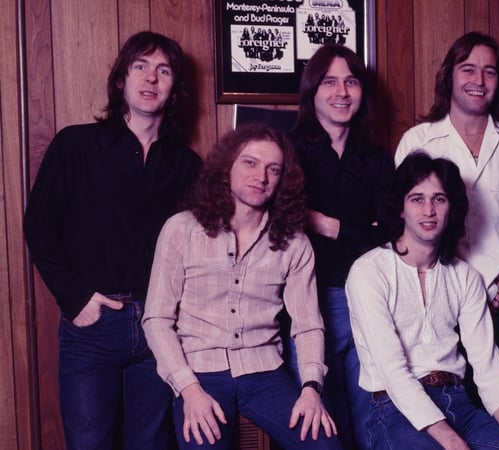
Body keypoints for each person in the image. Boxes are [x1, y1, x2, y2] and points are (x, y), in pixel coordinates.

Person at [23, 31, 200, 450]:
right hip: (94, 326)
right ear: (121, 78)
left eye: (163, 70)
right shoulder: (76, 145)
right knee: (90, 444)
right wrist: (76, 298)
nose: (151, 79)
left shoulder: (188, 165)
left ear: (175, 88)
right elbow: (39, 228)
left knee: (153, 444)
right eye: (140, 66)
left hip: (161, 329)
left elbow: (201, 248)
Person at [142, 123, 341, 450]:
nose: (260, 176)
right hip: (200, 373)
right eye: (250, 162)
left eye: (273, 169)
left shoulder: (295, 244)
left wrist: (311, 389)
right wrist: (188, 390)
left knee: (325, 444)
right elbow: (157, 320)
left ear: (282, 180)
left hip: (265, 373)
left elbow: (307, 326)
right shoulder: (181, 231)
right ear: (227, 168)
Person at [346, 152, 499, 450]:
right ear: (400, 209)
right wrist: (455, 444)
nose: (429, 210)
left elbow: (488, 366)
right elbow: (393, 372)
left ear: (452, 209)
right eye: (417, 199)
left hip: (459, 405)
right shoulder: (369, 272)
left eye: (440, 199)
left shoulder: (466, 277)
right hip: (395, 411)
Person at [394, 32, 499, 394]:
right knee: (441, 402)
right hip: (437, 296)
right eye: (468, 69)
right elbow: (407, 222)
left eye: (489, 72)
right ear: (450, 76)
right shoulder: (419, 141)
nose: (478, 81)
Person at [289, 44, 394, 450]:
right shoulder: (288, 150)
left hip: (367, 297)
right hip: (306, 302)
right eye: (330, 82)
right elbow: (281, 221)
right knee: (321, 425)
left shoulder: (377, 159)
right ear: (312, 90)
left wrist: (328, 225)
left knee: (371, 415)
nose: (342, 92)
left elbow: (390, 234)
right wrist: (359, 230)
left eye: (351, 81)